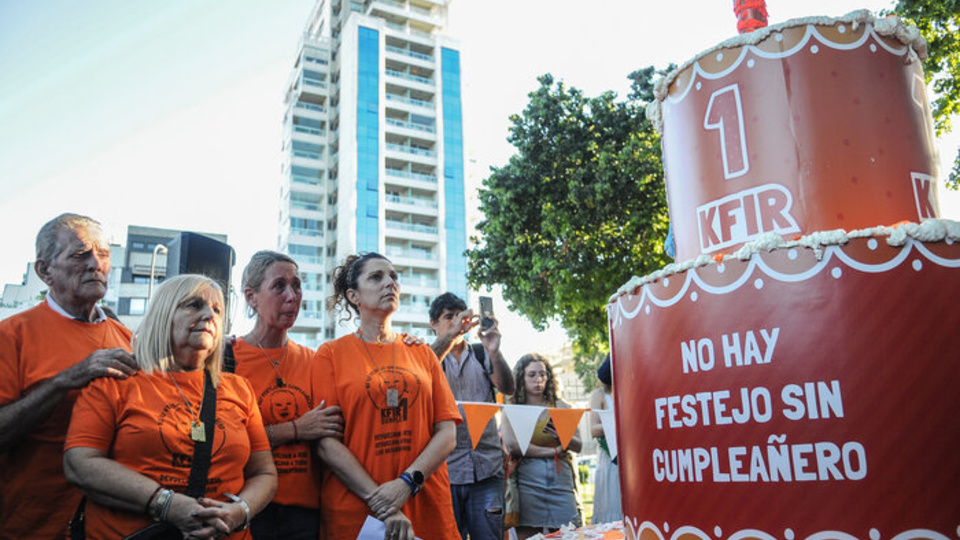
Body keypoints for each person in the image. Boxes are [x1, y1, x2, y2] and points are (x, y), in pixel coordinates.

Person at [63, 274, 277, 539]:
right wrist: (164, 503)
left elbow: (264, 473)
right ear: (163, 314)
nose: (209, 314)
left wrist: (239, 512)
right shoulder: (116, 382)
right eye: (194, 305)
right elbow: (79, 463)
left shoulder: (239, 389)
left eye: (217, 310)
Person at [0, 213, 137, 539]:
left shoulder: (127, 339)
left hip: (110, 525)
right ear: (44, 271)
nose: (96, 264)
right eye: (80, 254)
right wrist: (66, 380)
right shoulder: (12, 335)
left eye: (103, 254)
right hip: (31, 525)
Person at [313, 253, 461, 540]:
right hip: (360, 514)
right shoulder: (330, 354)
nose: (390, 283)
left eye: (394, 277)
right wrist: (383, 503)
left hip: (426, 507)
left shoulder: (421, 352)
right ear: (353, 295)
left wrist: (407, 483)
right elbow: (326, 443)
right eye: (376, 277)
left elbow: (447, 432)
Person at [231, 250, 344, 539]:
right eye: (279, 286)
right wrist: (296, 429)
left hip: (305, 513)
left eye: (297, 285)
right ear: (251, 296)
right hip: (247, 508)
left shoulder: (314, 360)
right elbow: (228, 438)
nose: (292, 296)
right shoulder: (228, 359)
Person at [429, 292, 515, 540]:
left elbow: (508, 388)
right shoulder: (427, 356)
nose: (458, 322)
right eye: (449, 317)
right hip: (445, 473)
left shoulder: (481, 353)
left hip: (487, 470)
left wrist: (494, 351)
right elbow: (420, 373)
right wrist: (451, 337)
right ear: (433, 324)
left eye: (460, 316)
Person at [502, 354, 582, 540]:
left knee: (570, 533)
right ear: (521, 378)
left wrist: (564, 436)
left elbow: (577, 445)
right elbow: (514, 447)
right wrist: (554, 450)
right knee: (529, 535)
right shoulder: (512, 409)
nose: (538, 379)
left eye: (543, 374)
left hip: (560, 478)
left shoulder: (561, 407)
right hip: (527, 479)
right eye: (531, 375)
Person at [588, 355, 622, 524]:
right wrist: (619, 422)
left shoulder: (630, 390)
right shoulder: (599, 394)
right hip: (609, 458)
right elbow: (593, 429)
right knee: (612, 504)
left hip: (631, 456)